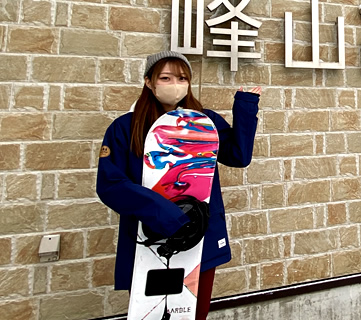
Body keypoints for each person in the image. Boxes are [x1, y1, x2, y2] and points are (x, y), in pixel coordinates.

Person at [96, 51, 261, 320]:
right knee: (149, 314)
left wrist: (246, 106)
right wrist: (164, 214)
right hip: (147, 239)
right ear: (149, 82)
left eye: (182, 78)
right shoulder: (125, 127)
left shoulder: (204, 122)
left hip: (199, 237)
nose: (175, 84)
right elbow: (110, 184)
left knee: (193, 313)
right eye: (166, 78)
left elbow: (238, 156)